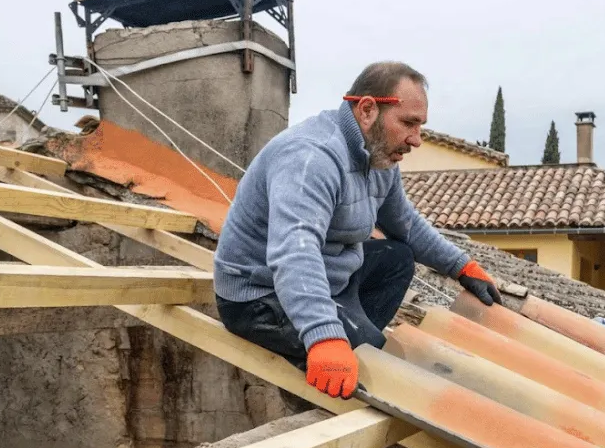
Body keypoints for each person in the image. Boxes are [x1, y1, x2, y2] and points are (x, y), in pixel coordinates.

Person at [214, 61, 501, 400]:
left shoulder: (378, 157)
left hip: (329, 279)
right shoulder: (311, 158)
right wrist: (325, 337)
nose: (416, 139)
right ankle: (327, 359)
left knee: (397, 257)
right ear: (367, 110)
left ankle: (345, 336)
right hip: (262, 296)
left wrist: (461, 266)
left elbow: (406, 225)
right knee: (376, 366)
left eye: (420, 126)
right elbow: (295, 253)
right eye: (408, 123)